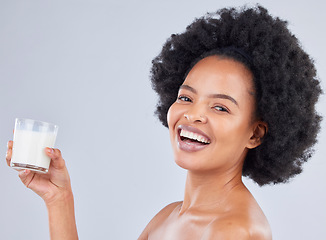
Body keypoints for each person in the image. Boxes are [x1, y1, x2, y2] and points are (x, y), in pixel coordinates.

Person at [6, 5, 322, 240]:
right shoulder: (170, 216)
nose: (194, 114)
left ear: (255, 133)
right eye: (186, 98)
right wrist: (59, 199)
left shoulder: (233, 231)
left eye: (220, 107)